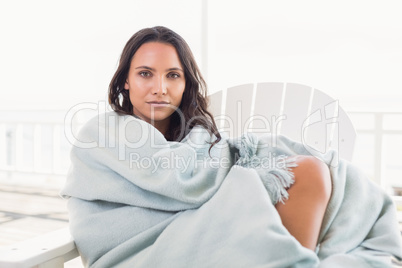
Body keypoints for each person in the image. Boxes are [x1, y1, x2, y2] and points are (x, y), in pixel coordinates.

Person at [107, 25, 331, 251]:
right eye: (145, 74)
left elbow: (222, 174)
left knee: (311, 168)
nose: (160, 88)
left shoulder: (201, 140)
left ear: (186, 84)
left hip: (220, 238)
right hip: (154, 251)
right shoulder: (104, 138)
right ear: (126, 80)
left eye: (173, 75)